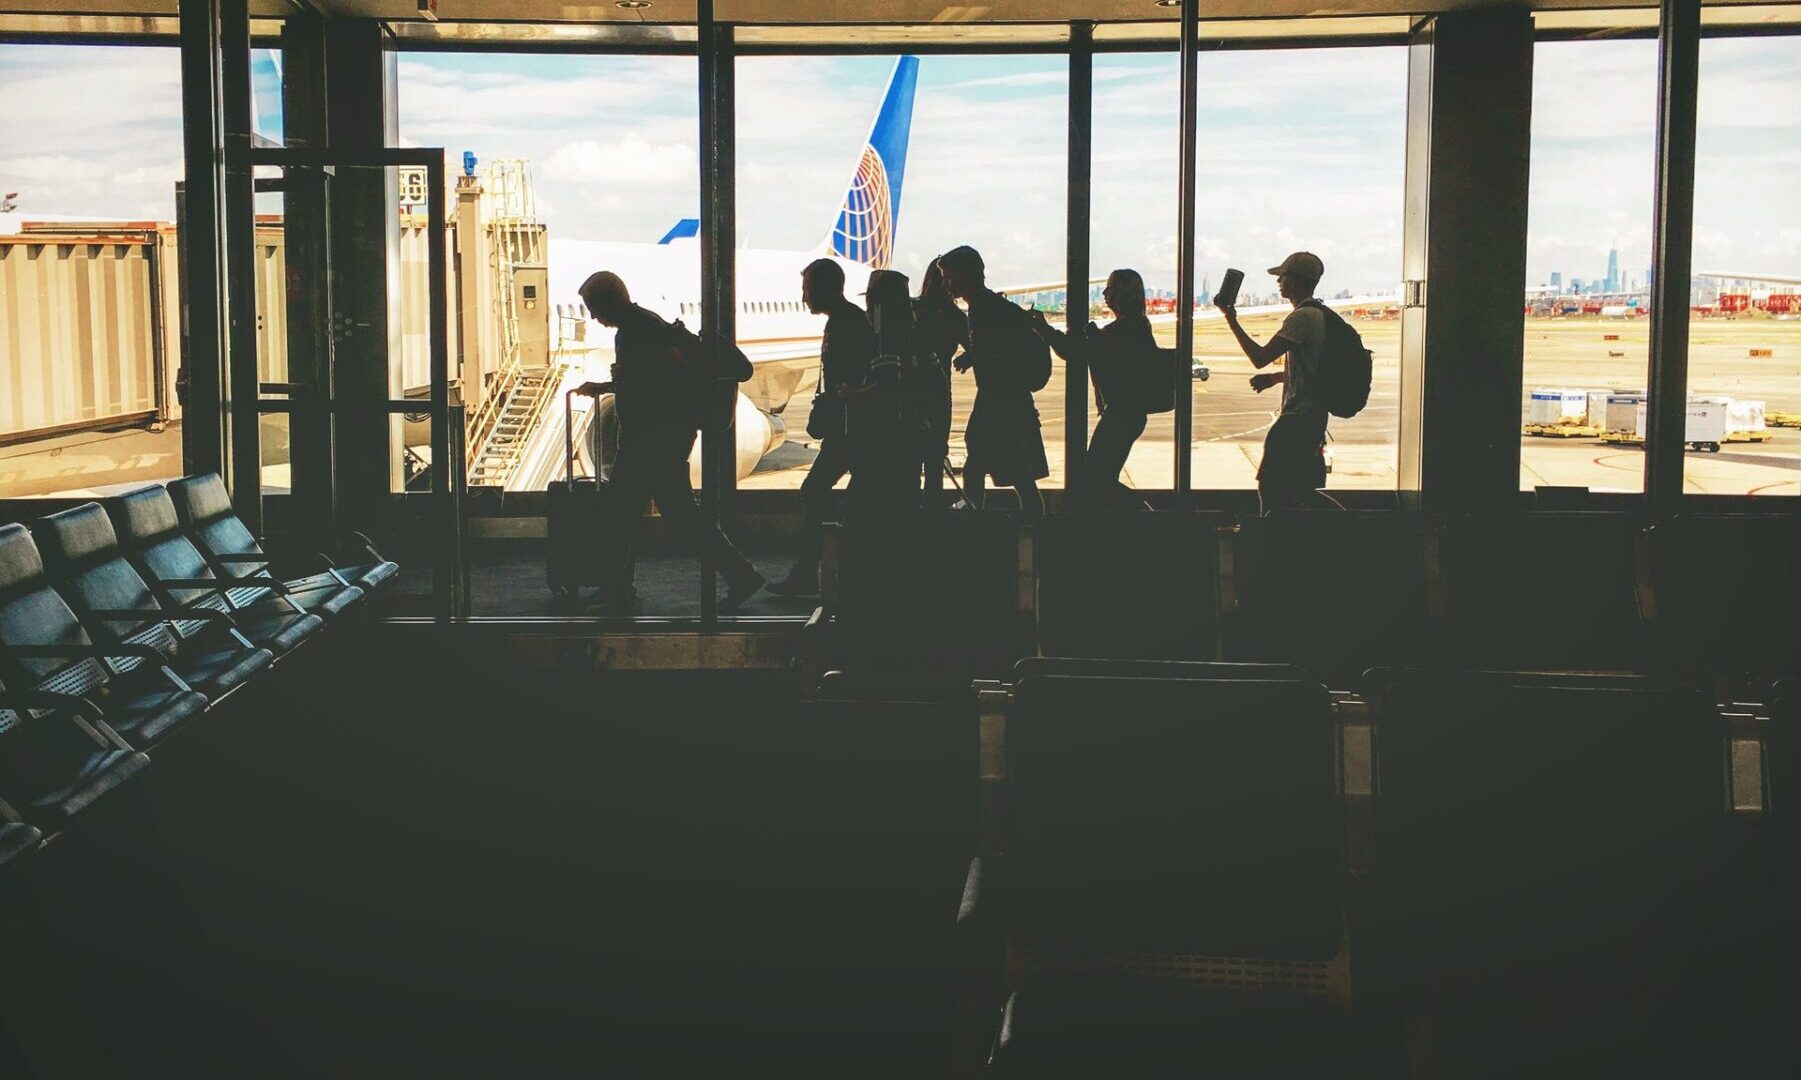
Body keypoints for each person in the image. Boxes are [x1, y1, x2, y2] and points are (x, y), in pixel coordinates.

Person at [578, 271, 765, 611]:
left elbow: (657, 384)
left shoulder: (636, 331)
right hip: (660, 438)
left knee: (623, 515)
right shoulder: (646, 325)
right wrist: (609, 387)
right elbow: (656, 378)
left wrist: (618, 384)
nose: (593, 316)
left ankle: (617, 589)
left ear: (609, 302)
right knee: (669, 517)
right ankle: (739, 574)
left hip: (650, 440)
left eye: (594, 308)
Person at [769, 258, 877, 596]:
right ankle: (827, 571)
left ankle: (814, 573)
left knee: (817, 493)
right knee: (833, 497)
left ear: (828, 289)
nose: (804, 298)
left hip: (853, 430)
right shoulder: (843, 321)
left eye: (808, 290)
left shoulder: (849, 323)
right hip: (845, 429)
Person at [1030, 269, 1157, 509]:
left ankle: (1147, 516)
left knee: (1096, 479)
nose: (1105, 293)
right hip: (1126, 413)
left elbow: (1071, 351)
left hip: (1122, 414)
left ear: (1121, 293)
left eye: (1110, 288)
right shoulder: (1136, 324)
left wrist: (1044, 328)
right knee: (1100, 478)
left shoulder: (1124, 328)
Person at [937, 245, 1048, 518]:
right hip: (999, 398)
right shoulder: (985, 306)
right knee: (1002, 469)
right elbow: (999, 346)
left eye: (950, 278)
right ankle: (983, 514)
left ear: (967, 276)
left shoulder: (985, 309)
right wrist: (972, 357)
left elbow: (1000, 347)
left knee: (1008, 471)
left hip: (1002, 402)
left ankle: (979, 516)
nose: (946, 284)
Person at [1220, 251, 1332, 514]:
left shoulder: (1302, 317)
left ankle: (1274, 543)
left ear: (1297, 280)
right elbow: (1312, 369)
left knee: (1270, 487)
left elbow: (1259, 357)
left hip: (1297, 420)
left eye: (1283, 276)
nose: (1278, 282)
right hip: (1312, 418)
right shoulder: (1318, 314)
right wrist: (1275, 378)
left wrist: (1230, 318)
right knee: (1301, 491)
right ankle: (1344, 528)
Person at [857, 268, 921, 505]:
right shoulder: (912, 333)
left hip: (888, 434)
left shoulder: (886, 337)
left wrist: (853, 394)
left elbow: (887, 386)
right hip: (911, 431)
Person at [912, 260, 967, 504]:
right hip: (940, 392)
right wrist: (969, 357)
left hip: (912, 392)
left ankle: (912, 515)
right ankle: (932, 516)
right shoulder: (955, 316)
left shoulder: (913, 311)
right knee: (935, 462)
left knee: (911, 461)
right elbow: (977, 347)